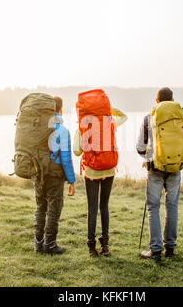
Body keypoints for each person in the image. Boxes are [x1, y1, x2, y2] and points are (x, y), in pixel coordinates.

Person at [136, 87, 183, 263]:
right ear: (172, 100)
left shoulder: (149, 117)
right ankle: (170, 248)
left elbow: (140, 147)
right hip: (175, 166)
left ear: (156, 101)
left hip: (155, 167)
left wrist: (148, 154)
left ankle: (155, 251)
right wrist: (177, 109)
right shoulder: (181, 116)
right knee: (172, 206)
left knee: (153, 207)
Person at [74, 106, 127, 257]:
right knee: (104, 206)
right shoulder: (109, 123)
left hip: (91, 171)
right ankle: (105, 247)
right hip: (109, 170)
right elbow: (124, 116)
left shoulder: (82, 126)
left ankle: (91, 248)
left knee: (92, 208)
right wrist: (108, 109)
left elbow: (77, 151)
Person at [34, 96, 76, 255]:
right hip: (55, 175)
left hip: (39, 173)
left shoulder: (38, 129)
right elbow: (66, 159)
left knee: (40, 206)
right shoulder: (63, 131)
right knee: (54, 208)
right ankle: (50, 245)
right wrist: (71, 180)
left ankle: (38, 245)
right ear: (60, 110)